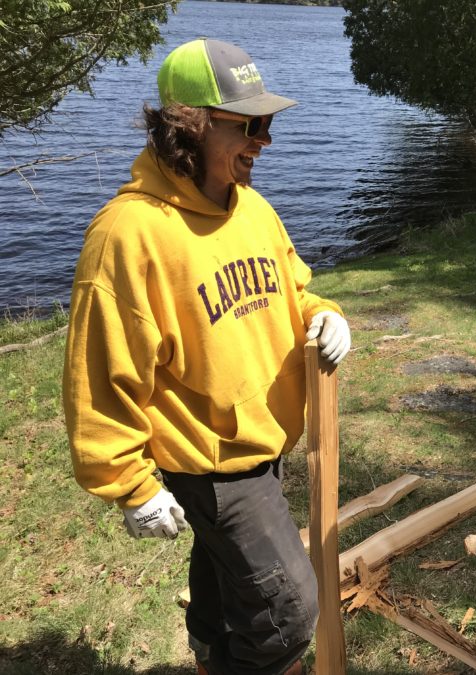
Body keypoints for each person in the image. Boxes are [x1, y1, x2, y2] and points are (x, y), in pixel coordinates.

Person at [63, 38, 351, 675]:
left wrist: (321, 312)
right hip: (214, 463)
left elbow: (292, 287)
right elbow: (100, 373)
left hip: (264, 441)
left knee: (227, 594)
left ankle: (211, 653)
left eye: (267, 124)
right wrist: (129, 484)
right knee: (288, 613)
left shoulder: (251, 208)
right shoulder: (129, 235)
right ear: (187, 127)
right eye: (249, 126)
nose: (264, 142)